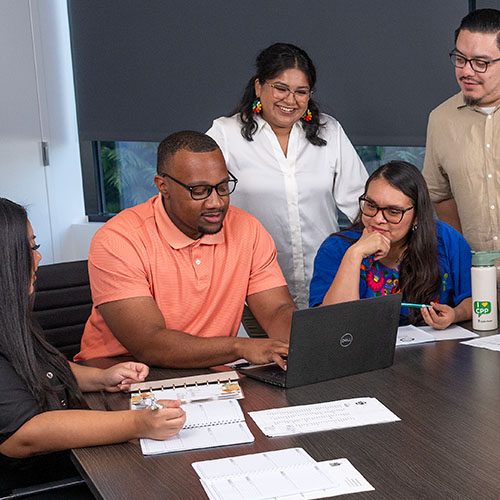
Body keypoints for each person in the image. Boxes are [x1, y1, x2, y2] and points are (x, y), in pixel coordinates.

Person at [0, 198, 186, 495]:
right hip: (34, 485)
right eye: (29, 249)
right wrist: (137, 423)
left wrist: (101, 378)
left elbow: (41, 367)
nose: (38, 258)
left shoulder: (9, 315)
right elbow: (23, 434)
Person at [75, 131, 296, 368]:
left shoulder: (247, 229)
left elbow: (276, 310)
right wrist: (239, 347)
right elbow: (149, 343)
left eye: (222, 187)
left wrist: (304, 340)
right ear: (163, 186)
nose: (216, 202)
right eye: (199, 191)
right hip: (119, 375)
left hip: (209, 371)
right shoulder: (118, 239)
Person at [207, 43, 367, 308]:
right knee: (274, 349)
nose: (290, 100)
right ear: (259, 87)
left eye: (301, 92)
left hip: (325, 283)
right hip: (254, 287)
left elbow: (361, 203)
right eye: (280, 88)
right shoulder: (226, 134)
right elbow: (198, 196)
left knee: (326, 349)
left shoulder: (329, 131)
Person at [309, 161, 472, 329]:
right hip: (361, 352)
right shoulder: (337, 247)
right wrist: (355, 254)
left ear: (417, 216)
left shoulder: (444, 238)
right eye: (371, 205)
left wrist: (455, 314)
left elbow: (477, 300)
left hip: (433, 351)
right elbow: (330, 325)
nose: (378, 219)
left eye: (393, 212)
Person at [423, 8, 500, 291]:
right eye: (460, 59)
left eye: (480, 62)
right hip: (476, 286)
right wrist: (466, 263)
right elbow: (440, 196)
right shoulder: (441, 119)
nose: (466, 71)